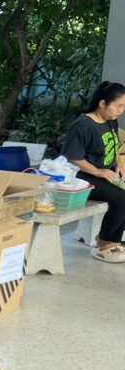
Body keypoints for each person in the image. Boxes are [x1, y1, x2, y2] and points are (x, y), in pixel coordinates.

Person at [63, 80, 125, 263]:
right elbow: (72, 157)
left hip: (106, 174)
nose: (121, 111)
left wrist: (119, 165)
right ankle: (106, 244)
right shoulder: (83, 124)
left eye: (124, 107)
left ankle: (113, 238)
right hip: (84, 177)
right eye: (118, 105)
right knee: (122, 199)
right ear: (103, 103)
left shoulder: (111, 120)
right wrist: (99, 172)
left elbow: (115, 146)